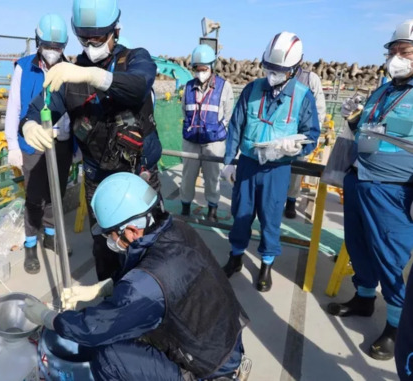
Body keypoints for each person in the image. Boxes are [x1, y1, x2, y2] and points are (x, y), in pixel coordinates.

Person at [22, 172, 249, 381]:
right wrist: (105, 288)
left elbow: (93, 329)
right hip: (222, 343)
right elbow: (170, 284)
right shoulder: (177, 229)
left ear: (131, 230)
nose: (110, 240)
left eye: (111, 234)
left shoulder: (145, 283)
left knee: (109, 356)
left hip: (205, 368)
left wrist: (47, 317)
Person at [21, 0, 162, 281]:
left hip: (137, 175)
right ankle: (109, 298)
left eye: (98, 37)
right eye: (84, 38)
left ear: (115, 32)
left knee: (147, 245)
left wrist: (92, 75)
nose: (91, 43)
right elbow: (39, 106)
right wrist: (28, 124)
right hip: (97, 178)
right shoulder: (69, 74)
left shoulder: (135, 59)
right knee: (105, 247)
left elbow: (138, 86)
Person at [328, 19, 413, 362]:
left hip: (394, 191)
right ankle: (364, 297)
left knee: (392, 258)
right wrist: (353, 119)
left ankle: (396, 326)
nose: (396, 57)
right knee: (359, 246)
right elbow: (367, 130)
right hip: (360, 180)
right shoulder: (384, 89)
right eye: (392, 51)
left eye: (404, 51)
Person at [221, 31, 320, 292]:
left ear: (294, 69)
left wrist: (295, 148)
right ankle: (236, 257)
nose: (273, 73)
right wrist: (229, 161)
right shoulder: (252, 89)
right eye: (269, 67)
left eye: (280, 69)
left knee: (271, 217)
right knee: (241, 213)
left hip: (278, 169)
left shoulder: (302, 96)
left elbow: (312, 135)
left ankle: (266, 264)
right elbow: (236, 126)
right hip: (248, 164)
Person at [4, 14, 73, 274]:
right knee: (34, 198)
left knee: (57, 195)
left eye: (59, 47)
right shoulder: (24, 68)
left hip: (61, 143)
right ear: (38, 43)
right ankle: (31, 245)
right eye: (49, 46)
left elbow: (73, 109)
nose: (54, 52)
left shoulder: (69, 70)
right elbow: (14, 109)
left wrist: (74, 146)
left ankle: (52, 235)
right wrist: (13, 144)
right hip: (32, 143)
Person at [180, 44, 234, 222]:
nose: (200, 72)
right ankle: (185, 206)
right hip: (191, 140)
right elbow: (184, 110)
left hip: (214, 142)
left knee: (212, 178)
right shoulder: (188, 87)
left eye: (203, 69)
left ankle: (212, 208)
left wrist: (217, 131)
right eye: (196, 69)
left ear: (211, 66)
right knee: (188, 176)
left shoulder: (224, 87)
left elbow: (228, 114)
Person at [284, 64, 326, 219]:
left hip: (300, 134)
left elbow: (320, 109)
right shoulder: (278, 74)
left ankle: (291, 201)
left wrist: (312, 136)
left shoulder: (310, 78)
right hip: (280, 131)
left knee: (296, 168)